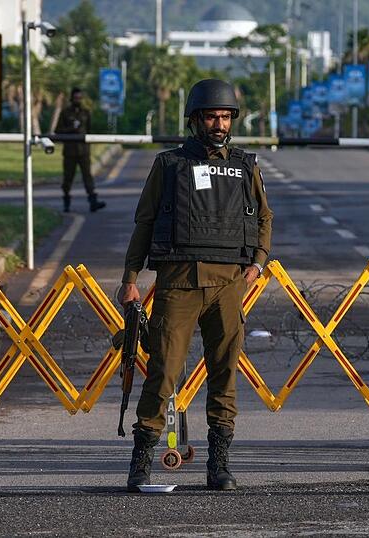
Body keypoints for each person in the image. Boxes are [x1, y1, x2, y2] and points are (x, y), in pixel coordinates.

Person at [118, 79, 273, 492]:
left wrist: (257, 263)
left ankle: (218, 465)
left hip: (228, 285)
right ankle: (141, 464)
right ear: (195, 120)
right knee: (163, 373)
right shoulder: (169, 165)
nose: (219, 124)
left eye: (225, 117)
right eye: (211, 116)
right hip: (179, 283)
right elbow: (145, 222)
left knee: (225, 376)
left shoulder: (245, 166)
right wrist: (130, 279)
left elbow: (263, 219)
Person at [54, 88, 106, 213]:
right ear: (71, 98)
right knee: (68, 178)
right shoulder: (65, 113)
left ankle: (93, 201)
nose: (78, 100)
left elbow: (88, 130)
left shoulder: (85, 113)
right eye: (76, 98)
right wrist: (70, 130)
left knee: (87, 176)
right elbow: (58, 131)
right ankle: (66, 201)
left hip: (83, 150)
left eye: (79, 98)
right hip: (70, 151)